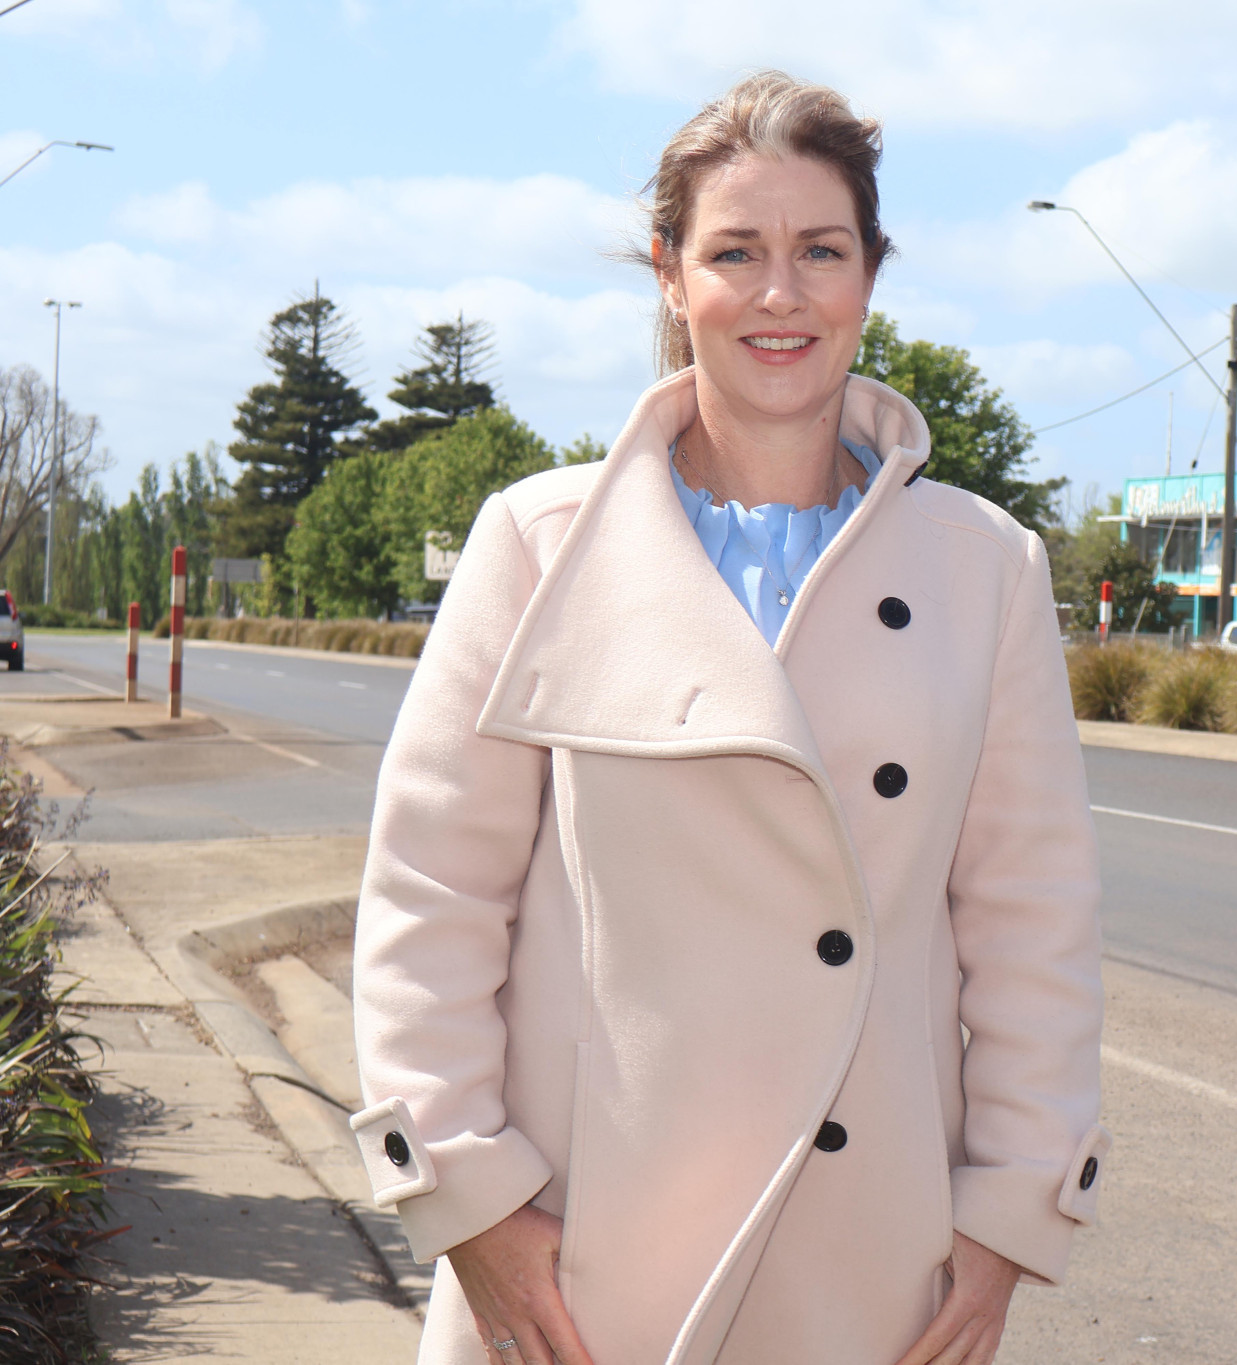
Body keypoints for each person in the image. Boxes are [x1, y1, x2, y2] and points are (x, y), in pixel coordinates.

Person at [349, 72, 1108, 1365]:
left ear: (871, 273)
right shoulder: (541, 543)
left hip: (869, 1266)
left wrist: (1009, 1215)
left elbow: (1032, 921)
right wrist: (468, 1198)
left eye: (821, 250)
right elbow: (432, 891)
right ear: (668, 272)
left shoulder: (987, 567)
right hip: (579, 1266)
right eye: (735, 252)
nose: (779, 294)